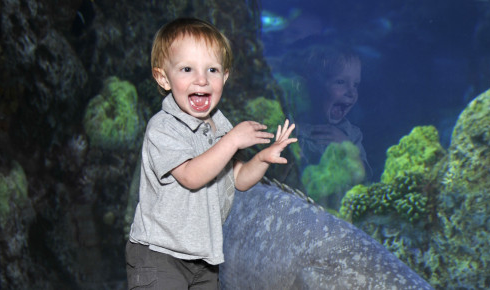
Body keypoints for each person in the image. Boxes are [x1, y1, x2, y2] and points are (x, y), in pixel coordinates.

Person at [126, 18, 297, 289]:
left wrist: (262, 158)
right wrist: (231, 141)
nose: (202, 79)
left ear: (225, 77)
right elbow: (192, 175)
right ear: (163, 77)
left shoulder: (218, 123)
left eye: (212, 70)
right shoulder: (163, 127)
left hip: (205, 257)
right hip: (160, 254)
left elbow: (238, 178)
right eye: (186, 69)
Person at [279, 42, 372, 208]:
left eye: (356, 84)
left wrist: (347, 147)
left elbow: (364, 179)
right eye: (341, 82)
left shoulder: (351, 134)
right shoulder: (291, 126)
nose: (351, 92)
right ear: (315, 86)